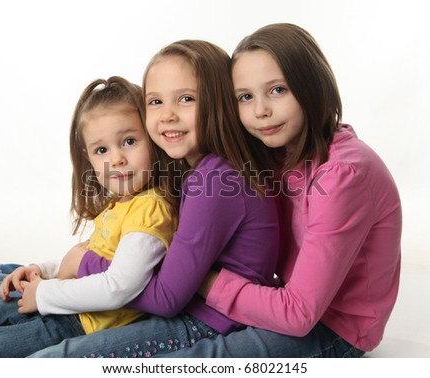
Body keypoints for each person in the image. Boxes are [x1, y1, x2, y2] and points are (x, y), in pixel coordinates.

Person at [33, 23, 401, 358]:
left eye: (278, 90)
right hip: (265, 302)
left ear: (312, 85)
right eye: (244, 96)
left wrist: (191, 277)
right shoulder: (273, 152)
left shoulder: (341, 175)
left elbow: (298, 314)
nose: (261, 111)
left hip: (331, 330)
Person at [29, 39, 280, 358]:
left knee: (50, 360)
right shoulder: (200, 169)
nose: (167, 116)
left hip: (207, 323)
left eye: (186, 99)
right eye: (156, 102)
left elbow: (166, 298)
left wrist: (85, 264)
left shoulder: (214, 180)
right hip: (189, 309)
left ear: (219, 102)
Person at [0, 76, 178, 357]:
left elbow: (119, 286)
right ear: (89, 158)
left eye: (130, 141)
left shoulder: (151, 209)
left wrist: (45, 294)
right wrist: (42, 269)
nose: (117, 158)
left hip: (78, 322)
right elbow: (86, 254)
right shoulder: (121, 203)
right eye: (102, 150)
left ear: (153, 141)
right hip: (63, 304)